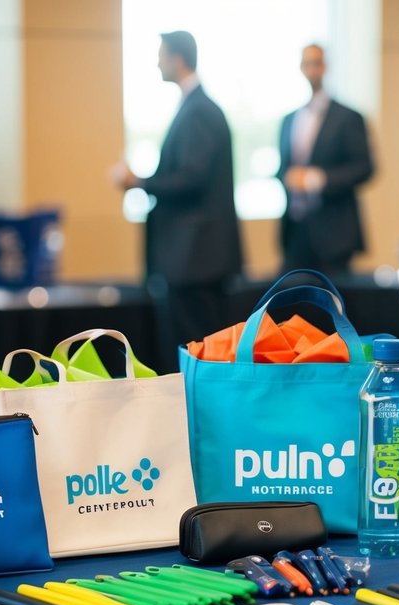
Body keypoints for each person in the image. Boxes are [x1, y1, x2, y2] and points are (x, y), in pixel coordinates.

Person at [111, 31, 242, 370]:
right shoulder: (195, 106)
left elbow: (192, 178)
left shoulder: (198, 110)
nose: (157, 62)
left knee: (199, 353)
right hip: (193, 258)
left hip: (196, 258)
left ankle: (201, 423)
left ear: (178, 58)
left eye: (161, 55)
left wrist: (138, 181)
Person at [277, 44, 374, 277]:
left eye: (316, 63)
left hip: (334, 232)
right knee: (291, 300)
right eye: (306, 63)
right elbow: (284, 168)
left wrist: (316, 179)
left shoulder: (348, 117)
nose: (311, 69)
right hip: (296, 229)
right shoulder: (289, 120)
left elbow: (364, 167)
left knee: (331, 303)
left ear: (325, 66)